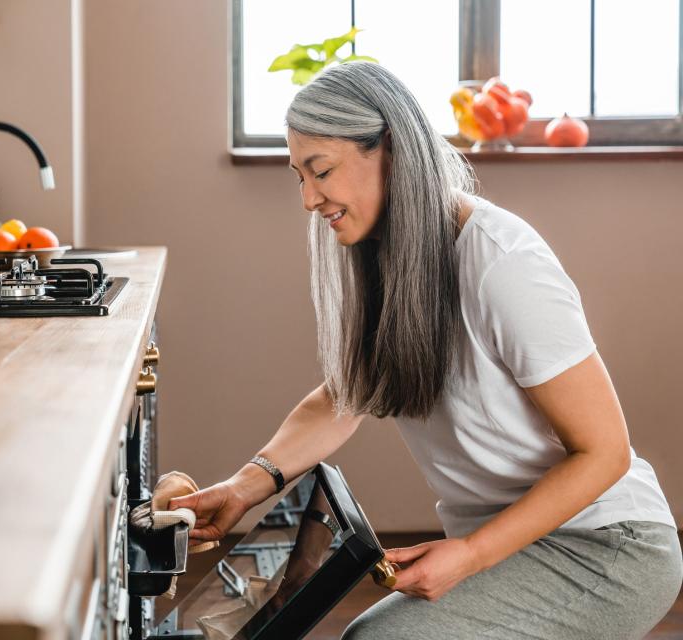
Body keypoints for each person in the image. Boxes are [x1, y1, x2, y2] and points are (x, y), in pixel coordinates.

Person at [167, 62, 682, 639]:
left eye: (322, 171)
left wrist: (471, 554)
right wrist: (244, 487)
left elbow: (605, 452)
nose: (310, 199)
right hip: (522, 538)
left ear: (390, 147)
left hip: (608, 547)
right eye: (299, 177)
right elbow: (345, 395)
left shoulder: (501, 262)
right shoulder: (394, 253)